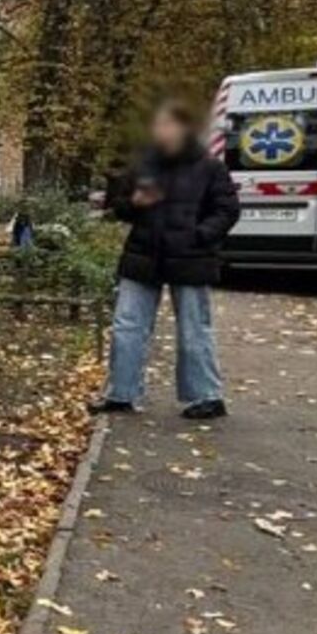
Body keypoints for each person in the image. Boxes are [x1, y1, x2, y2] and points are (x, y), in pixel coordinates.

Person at [88, 99, 240, 420]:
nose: (160, 132)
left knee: (194, 328)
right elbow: (118, 206)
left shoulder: (208, 167)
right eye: (158, 125)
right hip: (144, 256)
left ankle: (207, 396)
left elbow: (227, 210)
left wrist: (199, 235)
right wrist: (135, 202)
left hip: (190, 258)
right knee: (127, 325)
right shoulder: (143, 165)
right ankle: (121, 393)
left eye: (167, 125)